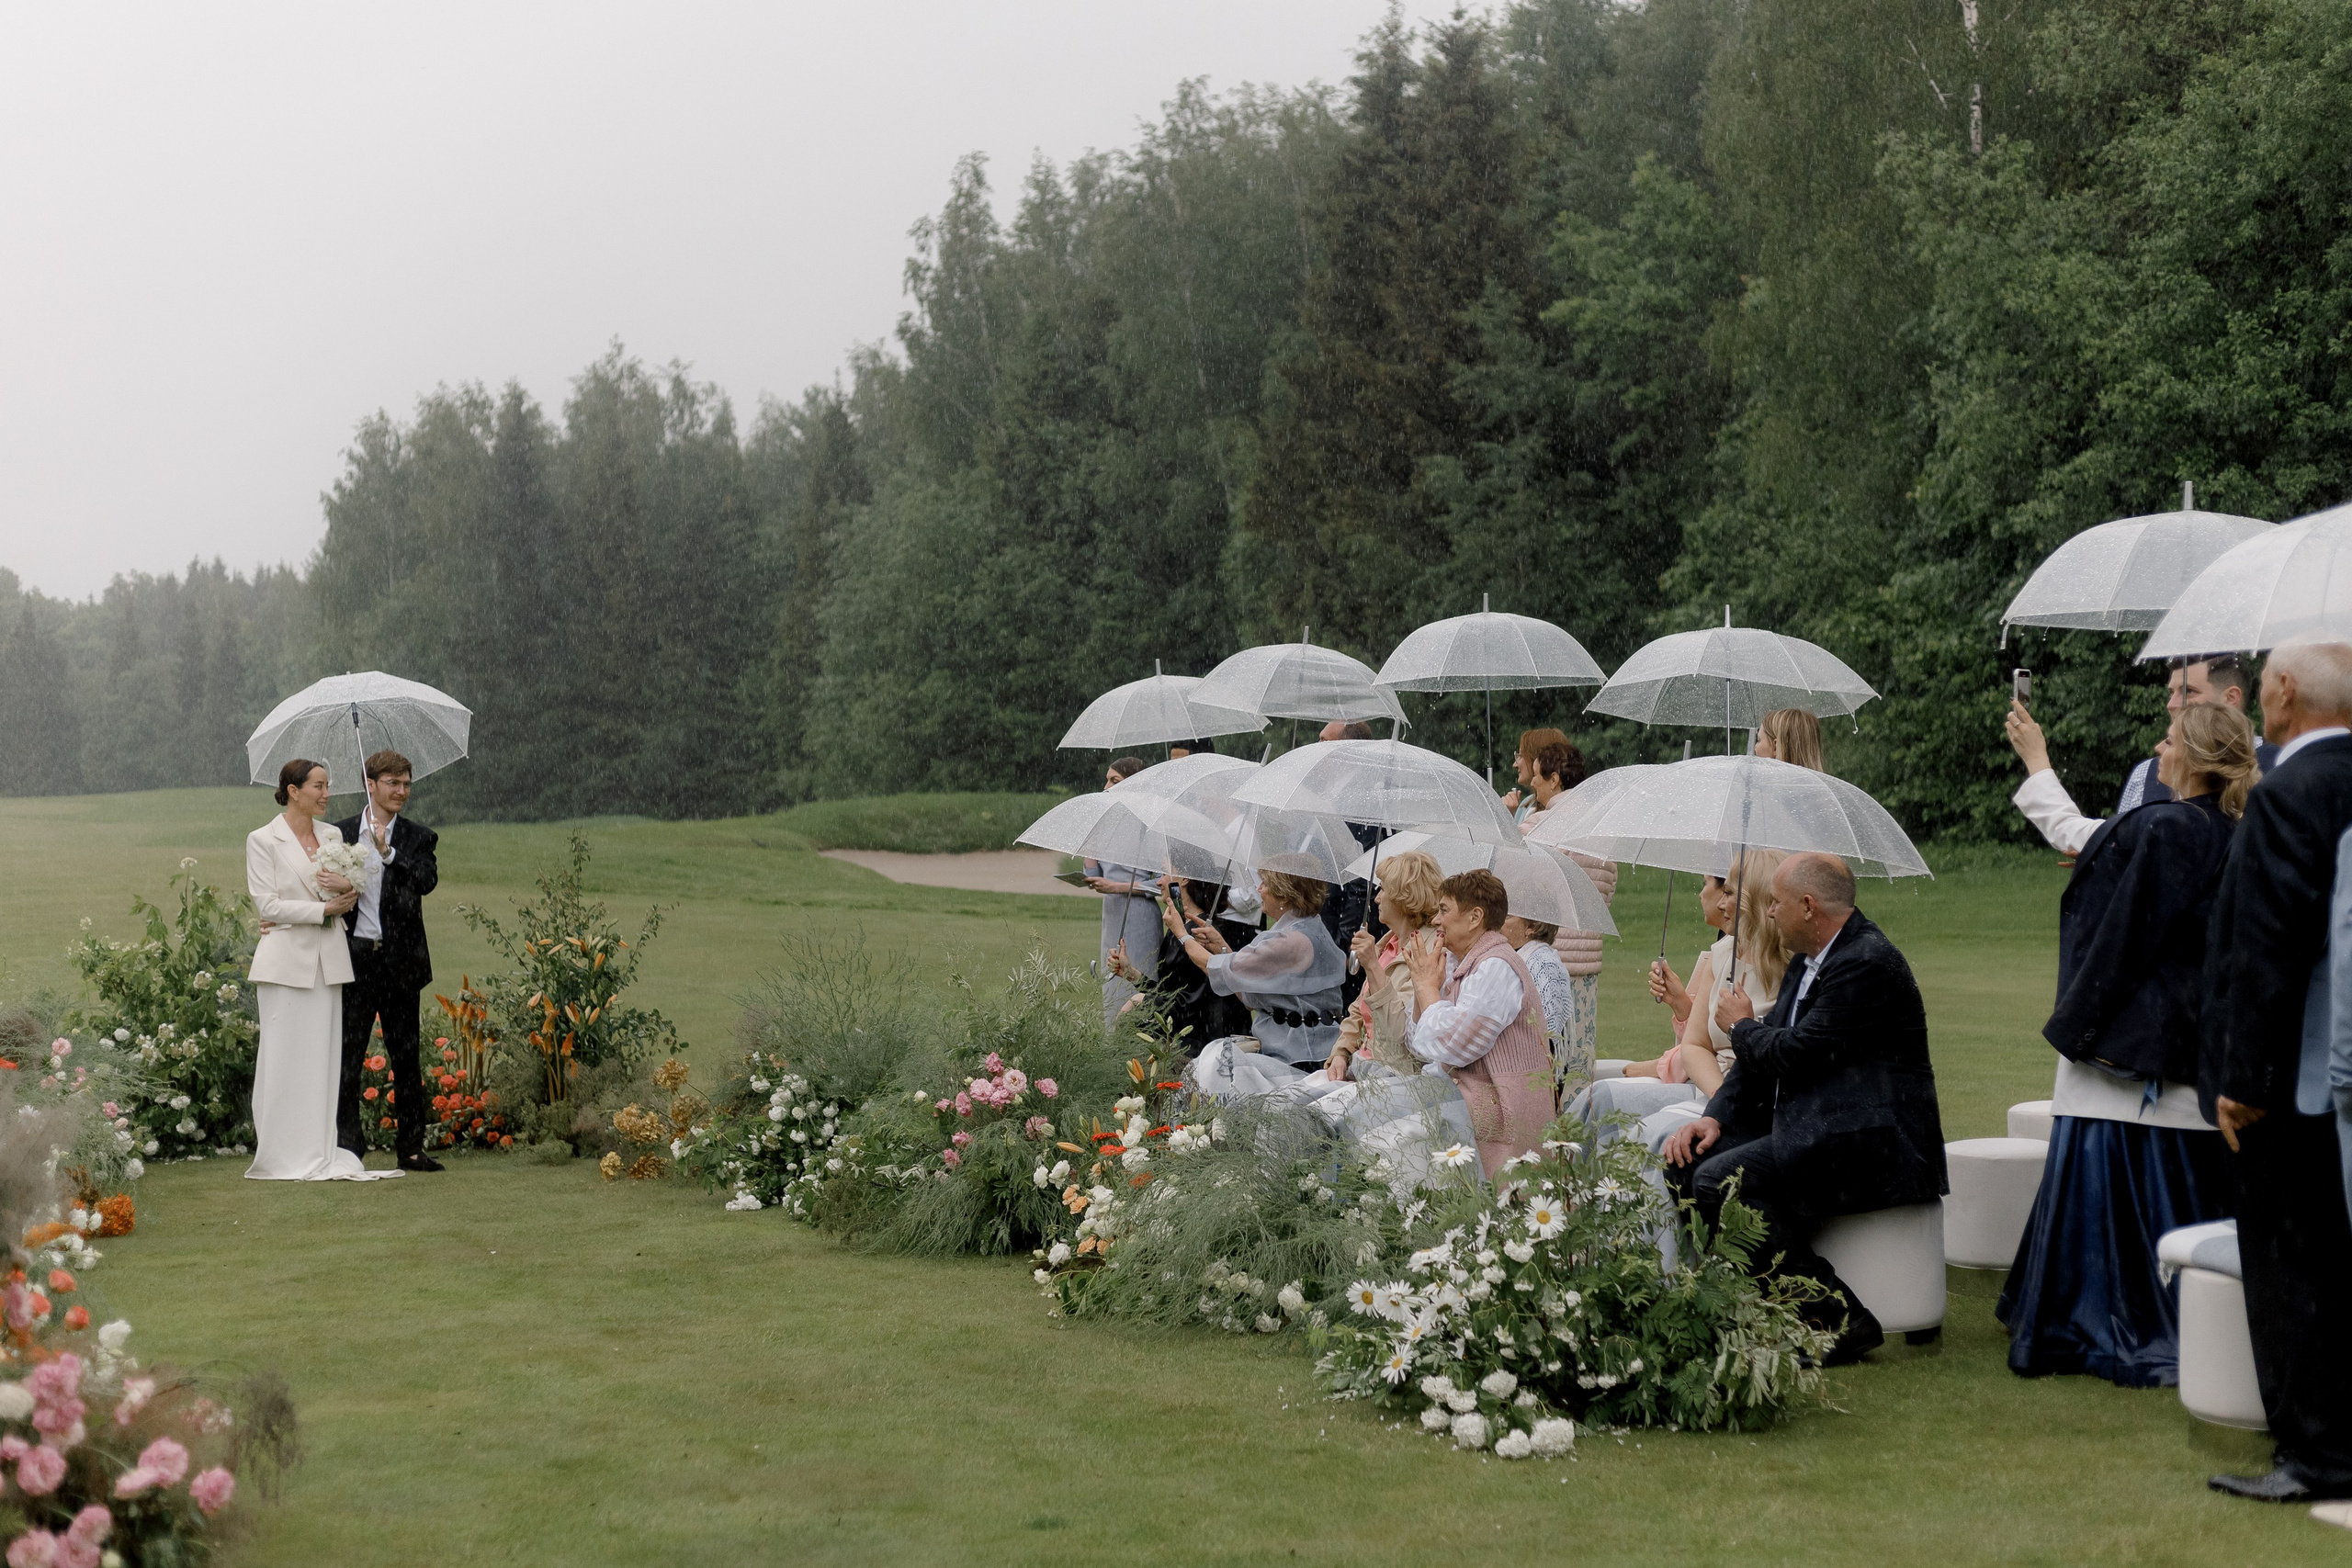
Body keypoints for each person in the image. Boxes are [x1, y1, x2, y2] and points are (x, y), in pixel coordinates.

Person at [1998, 704, 2254, 1386]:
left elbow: (2117, 937)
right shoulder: (2235, 830)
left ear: (2194, 759)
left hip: (2134, 1053)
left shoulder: (2165, 826)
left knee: (2111, 1211)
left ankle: (2103, 1326)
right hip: (2196, 1049)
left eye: (2169, 738)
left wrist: (2079, 1026)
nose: (2158, 747)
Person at [1662, 853, 1946, 1365]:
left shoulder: (1865, 962)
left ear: (1808, 907)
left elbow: (1796, 1055)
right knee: (1684, 1164)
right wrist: (1714, 1117)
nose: (1767, 913)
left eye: (1776, 902)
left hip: (1875, 1141)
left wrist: (1743, 1026)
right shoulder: (1810, 962)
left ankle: (1835, 1320)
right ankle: (1745, 1306)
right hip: (1828, 1127)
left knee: (1717, 1181)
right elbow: (1755, 1068)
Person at [2200, 637, 2352, 1504]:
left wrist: (2243, 1080)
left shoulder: (2291, 791)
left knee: (2292, 1264)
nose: (2259, 700)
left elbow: (2269, 950)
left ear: (2287, 691)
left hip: (2288, 1083)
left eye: (2262, 687)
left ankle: (2316, 1453)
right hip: (2341, 1077)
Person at [243, 760, 401, 1182]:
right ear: (293, 791)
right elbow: (268, 905)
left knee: (321, 1060)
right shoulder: (263, 839)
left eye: (328, 786)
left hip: (329, 964)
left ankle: (318, 1147)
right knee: (283, 1058)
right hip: (284, 965)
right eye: (318, 786)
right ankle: (280, 1152)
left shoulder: (332, 835)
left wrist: (346, 891)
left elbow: (357, 886)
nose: (327, 793)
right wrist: (322, 909)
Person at [2007, 656, 2274, 856]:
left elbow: (2070, 829)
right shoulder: (2220, 821)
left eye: (2170, 742)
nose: (2172, 704)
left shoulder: (2162, 825)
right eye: (2171, 692)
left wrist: (2036, 759)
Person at [332, 750, 443, 1173]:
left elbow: (426, 881)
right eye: (392, 783)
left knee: (407, 1058)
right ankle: (348, 1146)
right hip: (354, 960)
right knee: (347, 1057)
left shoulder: (418, 837)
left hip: (401, 963)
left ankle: (411, 1149)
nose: (401, 791)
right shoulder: (338, 835)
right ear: (370, 784)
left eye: (406, 783)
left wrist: (389, 852)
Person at [1402, 869, 1554, 1176]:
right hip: (1469, 1101)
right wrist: (1425, 987)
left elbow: (1456, 1046)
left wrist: (1427, 988)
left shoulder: (1497, 967)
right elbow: (1419, 1049)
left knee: (1392, 1131)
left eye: (1444, 910)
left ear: (1474, 918)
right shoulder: (1468, 965)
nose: (1435, 920)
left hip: (1507, 1113)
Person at [1166, 868, 1348, 1071]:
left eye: (1265, 884)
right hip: (1312, 1048)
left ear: (1284, 895)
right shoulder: (1309, 926)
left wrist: (1182, 933)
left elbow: (1216, 969)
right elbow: (1246, 987)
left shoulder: (1289, 942)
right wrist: (1221, 947)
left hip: (1301, 1056)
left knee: (1211, 1070)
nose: (1259, 889)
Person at [1641, 850, 1791, 1096]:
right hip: (1712, 1093)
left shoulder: (1797, 969)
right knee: (1605, 1098)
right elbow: (1694, 1045)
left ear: (1754, 898)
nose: (1721, 903)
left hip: (1759, 1102)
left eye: (1729, 893)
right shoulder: (1722, 954)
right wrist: (1721, 1102)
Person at [1516, 735, 1616, 1079]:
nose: (1532, 783)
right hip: (1587, 961)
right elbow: (1607, 891)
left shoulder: (1538, 828)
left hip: (1547, 958)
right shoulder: (1599, 832)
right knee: (1579, 1052)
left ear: (1555, 779)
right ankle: (1579, 1123)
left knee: (1542, 1054)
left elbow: (1519, 886)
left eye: (1538, 777)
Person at [1324, 851, 1445, 1081]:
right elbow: (1358, 1011)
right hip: (1361, 1066)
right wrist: (1340, 1053)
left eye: (1384, 889)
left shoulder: (1429, 953)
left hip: (1396, 1078)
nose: (1377, 898)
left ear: (1404, 896)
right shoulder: (1388, 944)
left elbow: (1398, 1033)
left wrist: (1373, 966)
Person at [1085, 756, 1161, 1026]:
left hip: (1140, 914)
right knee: (1111, 984)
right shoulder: (1107, 825)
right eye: (1107, 780)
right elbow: (1092, 876)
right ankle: (1112, 1046)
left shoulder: (1149, 828)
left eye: (1114, 781)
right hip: (1112, 912)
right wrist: (1090, 841)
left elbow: (1163, 884)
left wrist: (1116, 887)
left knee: (1136, 985)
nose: (1106, 787)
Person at [1500, 912, 1580, 1092]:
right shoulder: (1511, 956)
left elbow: (1548, 1033)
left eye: (1508, 917)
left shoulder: (1544, 964)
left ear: (1532, 927)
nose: (1499, 922)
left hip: (1538, 1070)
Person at [1499, 728, 1571, 824]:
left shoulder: (1568, 810)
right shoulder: (1526, 804)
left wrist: (1505, 819)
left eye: (1520, 755)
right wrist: (1507, 817)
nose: (1515, 765)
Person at [1755, 708, 1825, 770]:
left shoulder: (1768, 783)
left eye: (1758, 740)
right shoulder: (1816, 783)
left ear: (1775, 748)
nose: (1755, 747)